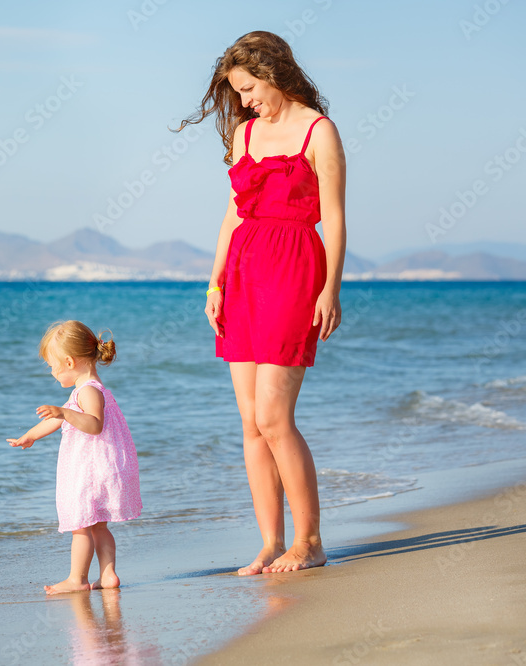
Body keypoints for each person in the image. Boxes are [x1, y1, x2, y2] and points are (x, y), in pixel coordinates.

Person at [180, 31, 345, 574]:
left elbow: (337, 218)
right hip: (244, 271)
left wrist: (331, 288)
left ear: (274, 73)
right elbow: (234, 213)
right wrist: (214, 282)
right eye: (237, 92)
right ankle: (272, 543)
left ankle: (311, 542)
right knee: (250, 422)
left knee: (275, 416)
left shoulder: (319, 132)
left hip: (296, 267)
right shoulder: (245, 136)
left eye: (248, 88)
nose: (244, 101)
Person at [7, 320, 142, 594]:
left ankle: (77, 579)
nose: (52, 372)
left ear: (69, 362)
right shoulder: (88, 389)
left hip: (89, 472)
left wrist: (64, 413)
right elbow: (55, 421)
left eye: (52, 366)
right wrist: (31, 435)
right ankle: (108, 575)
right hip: (98, 468)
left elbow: (94, 424)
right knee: (98, 527)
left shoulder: (89, 390)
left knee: (81, 527)